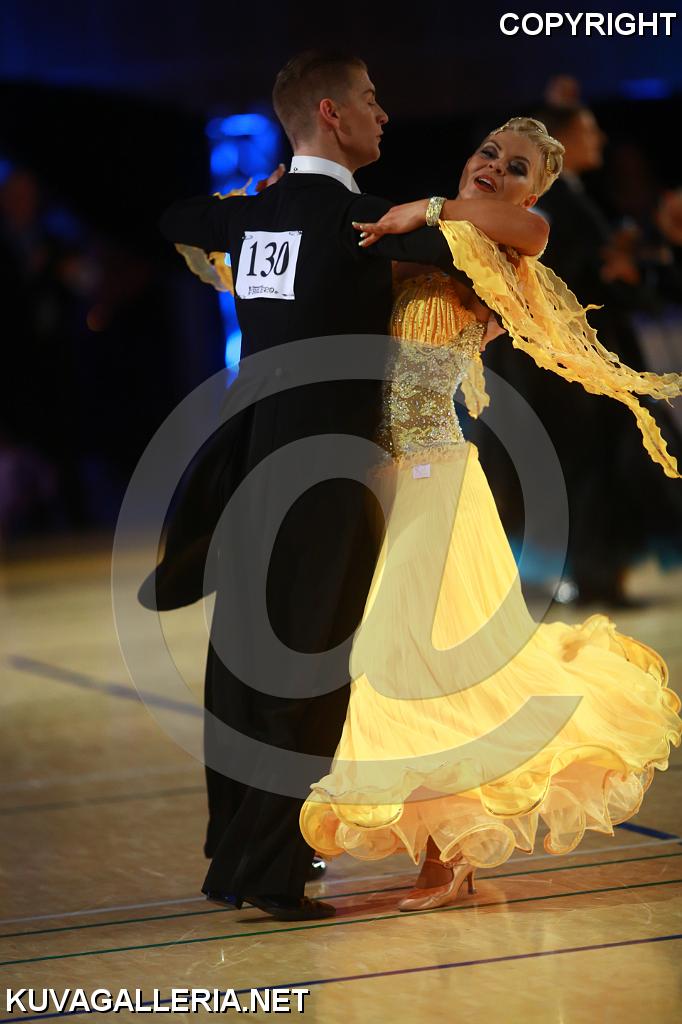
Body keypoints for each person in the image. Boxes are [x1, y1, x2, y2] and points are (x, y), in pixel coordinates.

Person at [149, 52, 545, 921]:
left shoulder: (258, 220)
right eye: (369, 99)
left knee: (241, 661)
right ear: (331, 114)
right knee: (306, 669)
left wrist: (261, 200)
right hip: (327, 471)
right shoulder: (364, 223)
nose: (383, 113)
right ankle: (269, 870)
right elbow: (523, 232)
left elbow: (177, 216)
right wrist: (430, 211)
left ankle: (233, 857)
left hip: (248, 458)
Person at [299, 117, 682, 911]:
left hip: (435, 483)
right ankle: (446, 853)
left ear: (532, 193)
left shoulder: (497, 245)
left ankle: (448, 860)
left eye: (516, 168)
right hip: (384, 483)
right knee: (409, 670)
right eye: (488, 153)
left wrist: (428, 207)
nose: (495, 168)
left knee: (417, 670)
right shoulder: (435, 243)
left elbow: (532, 231)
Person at [482, 104, 682, 605]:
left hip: (582, 363)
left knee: (601, 467)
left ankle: (597, 573)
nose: (599, 139)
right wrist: (613, 266)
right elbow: (545, 279)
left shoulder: (569, 199)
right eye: (589, 130)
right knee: (589, 468)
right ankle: (591, 575)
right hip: (565, 369)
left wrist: (627, 264)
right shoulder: (542, 203)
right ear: (563, 139)